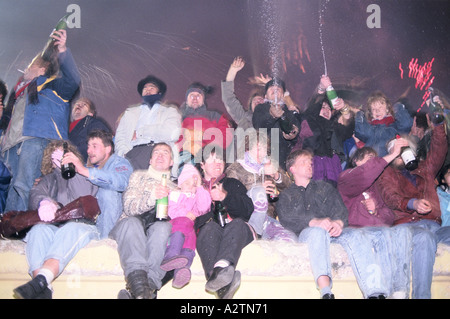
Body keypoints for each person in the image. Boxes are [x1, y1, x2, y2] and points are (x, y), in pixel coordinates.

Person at [14, 129, 132, 299]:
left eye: (94, 146)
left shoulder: (93, 170)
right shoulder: (50, 178)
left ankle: (42, 280)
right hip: (57, 226)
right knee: (37, 232)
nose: (89, 150)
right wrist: (44, 201)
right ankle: (42, 289)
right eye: (88, 146)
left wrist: (77, 170)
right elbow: (36, 193)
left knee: (74, 228)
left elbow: (102, 189)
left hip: (88, 226)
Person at [277, 149, 390, 299]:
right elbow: (286, 217)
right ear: (292, 169)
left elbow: (341, 210)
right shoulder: (287, 195)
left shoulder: (325, 188)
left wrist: (338, 222)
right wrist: (314, 222)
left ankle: (375, 292)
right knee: (318, 232)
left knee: (356, 234)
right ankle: (326, 292)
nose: (309, 165)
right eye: (303, 162)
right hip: (308, 232)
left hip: (332, 231)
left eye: (310, 162)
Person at [1, 29, 81, 213]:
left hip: (36, 140)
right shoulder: (19, 93)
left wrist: (62, 51)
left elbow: (73, 81)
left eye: (31, 65)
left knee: (26, 184)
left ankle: (22, 229)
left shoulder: (52, 85)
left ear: (43, 69)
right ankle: (9, 226)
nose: (26, 68)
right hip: (12, 144)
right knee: (13, 186)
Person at [378, 118, 448, 298]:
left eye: (404, 149)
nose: (401, 154)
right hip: (406, 226)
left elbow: (439, 150)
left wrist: (438, 125)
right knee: (424, 238)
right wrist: (412, 203)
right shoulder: (387, 172)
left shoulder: (425, 168)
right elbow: (389, 196)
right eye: (396, 150)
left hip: (433, 225)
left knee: (432, 234)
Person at [338, 141, 413, 298]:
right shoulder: (347, 177)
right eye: (369, 157)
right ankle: (379, 292)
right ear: (357, 161)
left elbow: (389, 216)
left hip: (378, 230)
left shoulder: (376, 187)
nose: (374, 162)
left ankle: (399, 291)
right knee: (382, 233)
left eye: (375, 158)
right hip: (357, 230)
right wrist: (392, 154)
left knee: (403, 230)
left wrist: (376, 210)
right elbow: (365, 174)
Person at [110, 142, 177, 299]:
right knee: (132, 223)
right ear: (150, 160)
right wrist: (152, 197)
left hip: (156, 232)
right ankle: (140, 285)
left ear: (172, 162)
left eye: (165, 153)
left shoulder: (177, 188)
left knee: (163, 228)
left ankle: (145, 289)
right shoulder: (138, 177)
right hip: (130, 228)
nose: (160, 155)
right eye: (156, 153)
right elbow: (129, 208)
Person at [195, 146, 254, 299]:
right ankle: (223, 287)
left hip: (235, 231)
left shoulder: (232, 184)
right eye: (212, 159)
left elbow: (247, 210)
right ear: (202, 164)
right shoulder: (193, 186)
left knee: (238, 224)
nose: (217, 163)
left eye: (220, 159)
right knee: (208, 229)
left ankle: (220, 268)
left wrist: (225, 196)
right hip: (209, 234)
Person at [225, 129, 295, 241]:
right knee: (258, 192)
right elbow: (232, 198)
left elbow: (290, 188)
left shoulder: (270, 164)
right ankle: (254, 234)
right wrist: (258, 187)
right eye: (258, 148)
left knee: (289, 239)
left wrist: (276, 176)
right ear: (247, 148)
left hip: (268, 218)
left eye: (264, 148)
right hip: (247, 219)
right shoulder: (236, 168)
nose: (262, 153)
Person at [114, 75, 181, 176]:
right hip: (134, 153)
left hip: (159, 153)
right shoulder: (129, 113)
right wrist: (124, 153)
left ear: (159, 93)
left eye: (152, 88)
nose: (147, 90)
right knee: (133, 188)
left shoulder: (170, 111)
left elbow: (172, 133)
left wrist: (141, 132)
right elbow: (120, 137)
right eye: (145, 88)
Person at [297, 75, 354, 187]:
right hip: (314, 163)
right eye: (323, 107)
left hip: (334, 166)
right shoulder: (309, 121)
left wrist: (344, 108)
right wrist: (322, 88)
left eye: (329, 108)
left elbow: (348, 128)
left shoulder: (334, 128)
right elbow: (311, 107)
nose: (326, 110)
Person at [160, 163, 211, 289]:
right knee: (184, 222)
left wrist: (199, 186)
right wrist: (186, 214)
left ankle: (181, 271)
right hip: (176, 226)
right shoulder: (175, 194)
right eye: (187, 183)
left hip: (189, 229)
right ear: (180, 184)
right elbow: (171, 210)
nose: (191, 187)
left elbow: (204, 207)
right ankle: (171, 255)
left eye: (193, 185)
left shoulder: (195, 197)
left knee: (190, 245)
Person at [177, 82, 233, 171]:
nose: (195, 98)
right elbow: (173, 139)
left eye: (198, 95)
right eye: (191, 95)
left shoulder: (216, 116)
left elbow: (226, 137)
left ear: (203, 99)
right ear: (187, 99)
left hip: (208, 159)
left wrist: (206, 149)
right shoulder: (178, 117)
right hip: (183, 160)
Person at [252, 77, 300, 170]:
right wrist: (272, 116)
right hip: (265, 159)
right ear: (265, 96)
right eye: (271, 88)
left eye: (278, 88)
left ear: (283, 95)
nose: (275, 89)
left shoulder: (290, 111)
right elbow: (258, 126)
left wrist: (293, 135)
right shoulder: (261, 108)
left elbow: (297, 133)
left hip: (284, 160)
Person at [354, 91, 413, 157]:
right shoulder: (371, 129)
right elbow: (361, 132)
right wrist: (359, 114)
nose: (377, 111)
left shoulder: (395, 127)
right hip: (370, 164)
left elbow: (406, 124)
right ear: (371, 113)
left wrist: (397, 107)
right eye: (373, 109)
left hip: (390, 164)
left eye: (380, 107)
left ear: (387, 109)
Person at [69, 97, 111, 162]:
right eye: (77, 104)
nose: (79, 105)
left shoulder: (93, 123)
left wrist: (69, 152)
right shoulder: (64, 128)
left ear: (90, 113)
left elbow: (99, 145)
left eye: (84, 104)